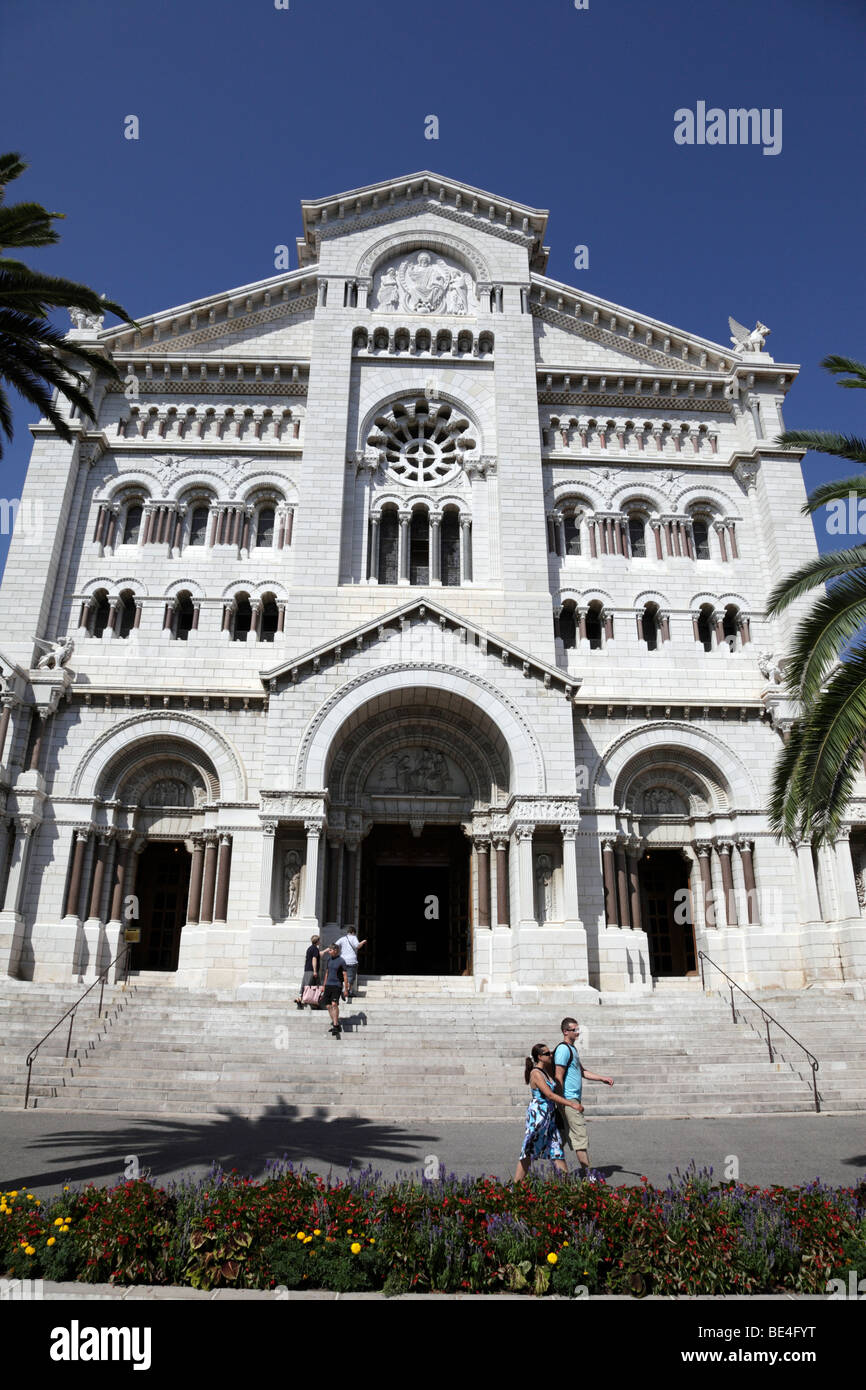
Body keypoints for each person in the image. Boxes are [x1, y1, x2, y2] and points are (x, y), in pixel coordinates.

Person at [514, 1043, 584, 1182]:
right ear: (539, 1057)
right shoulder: (536, 1073)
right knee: (528, 1151)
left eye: (550, 1052)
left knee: (557, 1150)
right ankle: (514, 1187)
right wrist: (571, 1104)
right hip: (539, 1115)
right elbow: (549, 1095)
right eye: (547, 1054)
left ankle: (567, 1188)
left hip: (549, 1115)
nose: (550, 1055)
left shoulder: (545, 1071)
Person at [554, 1018, 614, 1178]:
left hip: (571, 1100)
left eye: (578, 1029)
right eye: (574, 1029)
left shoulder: (572, 1049)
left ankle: (559, 1175)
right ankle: (589, 1175)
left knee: (561, 1140)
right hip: (569, 1100)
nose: (578, 1032)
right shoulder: (563, 1050)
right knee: (579, 1137)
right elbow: (558, 1076)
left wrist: (602, 1078)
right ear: (565, 1031)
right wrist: (564, 1103)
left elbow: (582, 1072)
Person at [322, 944, 349, 1037]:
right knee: (328, 1006)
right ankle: (336, 1024)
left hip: (337, 985)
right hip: (328, 985)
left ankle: (335, 1024)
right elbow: (327, 973)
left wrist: (346, 988)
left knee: (334, 1004)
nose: (329, 952)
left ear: (335, 950)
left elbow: (345, 975)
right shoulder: (329, 960)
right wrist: (324, 985)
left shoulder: (341, 961)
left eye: (330, 950)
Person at [334, 929, 366, 1000]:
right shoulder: (354, 937)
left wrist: (339, 953)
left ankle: (349, 991)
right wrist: (363, 942)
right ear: (353, 932)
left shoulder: (342, 938)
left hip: (342, 961)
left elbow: (335, 945)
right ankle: (346, 991)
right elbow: (357, 946)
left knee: (343, 976)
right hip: (352, 961)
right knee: (350, 977)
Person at [295, 934, 320, 1009]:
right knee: (309, 986)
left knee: (305, 985)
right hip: (311, 970)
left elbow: (318, 955)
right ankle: (304, 1000)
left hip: (307, 969)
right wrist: (315, 971)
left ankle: (300, 998)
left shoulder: (310, 948)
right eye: (319, 940)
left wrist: (326, 950)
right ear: (317, 941)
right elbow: (314, 959)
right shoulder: (315, 949)